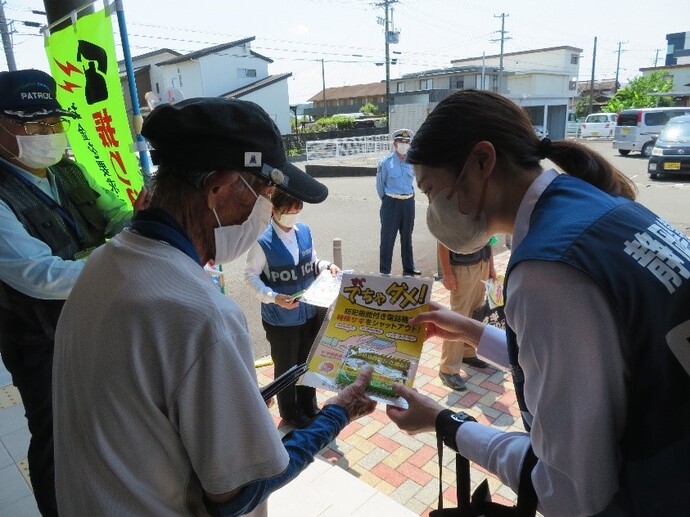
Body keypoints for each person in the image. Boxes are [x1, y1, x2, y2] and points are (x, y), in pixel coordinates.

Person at [52, 97, 376, 516]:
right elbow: (240, 492)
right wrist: (338, 411)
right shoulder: (200, 314)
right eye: (266, 191)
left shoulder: (103, 263)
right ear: (219, 189)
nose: (267, 207)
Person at [386, 89, 690, 516]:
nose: (433, 208)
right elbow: (594, 360)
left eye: (431, 189)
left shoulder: (548, 269)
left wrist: (445, 423)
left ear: (481, 161)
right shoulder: (596, 209)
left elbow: (569, 489)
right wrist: (472, 331)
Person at [0, 69, 146, 516]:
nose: (48, 133)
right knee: (55, 434)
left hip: (92, 320)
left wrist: (139, 224)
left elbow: (116, 213)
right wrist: (121, 257)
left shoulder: (67, 170)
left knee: (101, 419)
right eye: (31, 124)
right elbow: (37, 274)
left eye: (54, 122)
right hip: (38, 340)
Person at [245, 190, 340, 428]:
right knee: (286, 366)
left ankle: (309, 404)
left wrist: (326, 266)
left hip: (308, 311)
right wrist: (274, 297)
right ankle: (289, 411)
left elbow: (311, 261)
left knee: (307, 361)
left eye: (297, 211)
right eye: (288, 212)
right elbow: (250, 277)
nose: (293, 217)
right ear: (274, 211)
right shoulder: (262, 241)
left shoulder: (304, 231)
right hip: (281, 318)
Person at [436, 241, 495, 391]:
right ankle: (447, 369)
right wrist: (447, 273)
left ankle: (467, 352)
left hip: (483, 261)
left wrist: (491, 265)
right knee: (457, 317)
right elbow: (443, 241)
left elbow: (490, 237)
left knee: (476, 311)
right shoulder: (451, 216)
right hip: (462, 266)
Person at [376, 128, 420, 276]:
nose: (404, 144)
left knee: (407, 237)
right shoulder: (385, 163)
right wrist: (388, 200)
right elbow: (380, 187)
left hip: (408, 203)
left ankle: (408, 268)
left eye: (407, 142)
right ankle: (385, 271)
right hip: (391, 203)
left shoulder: (412, 162)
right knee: (388, 239)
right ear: (394, 144)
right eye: (401, 141)